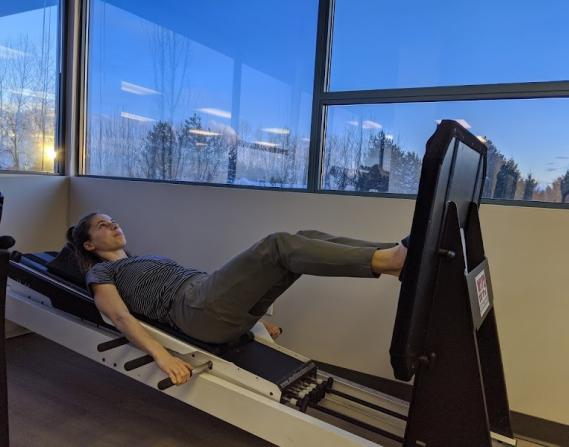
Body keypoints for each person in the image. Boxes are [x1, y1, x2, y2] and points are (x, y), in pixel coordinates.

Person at [69, 212, 408, 386]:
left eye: (113, 220)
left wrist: (254, 323)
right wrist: (162, 357)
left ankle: (396, 257)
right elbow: (120, 318)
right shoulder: (101, 273)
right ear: (89, 244)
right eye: (103, 224)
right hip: (193, 308)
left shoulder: (141, 259)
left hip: (208, 300)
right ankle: (393, 260)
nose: (113, 224)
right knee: (277, 245)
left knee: (304, 238)